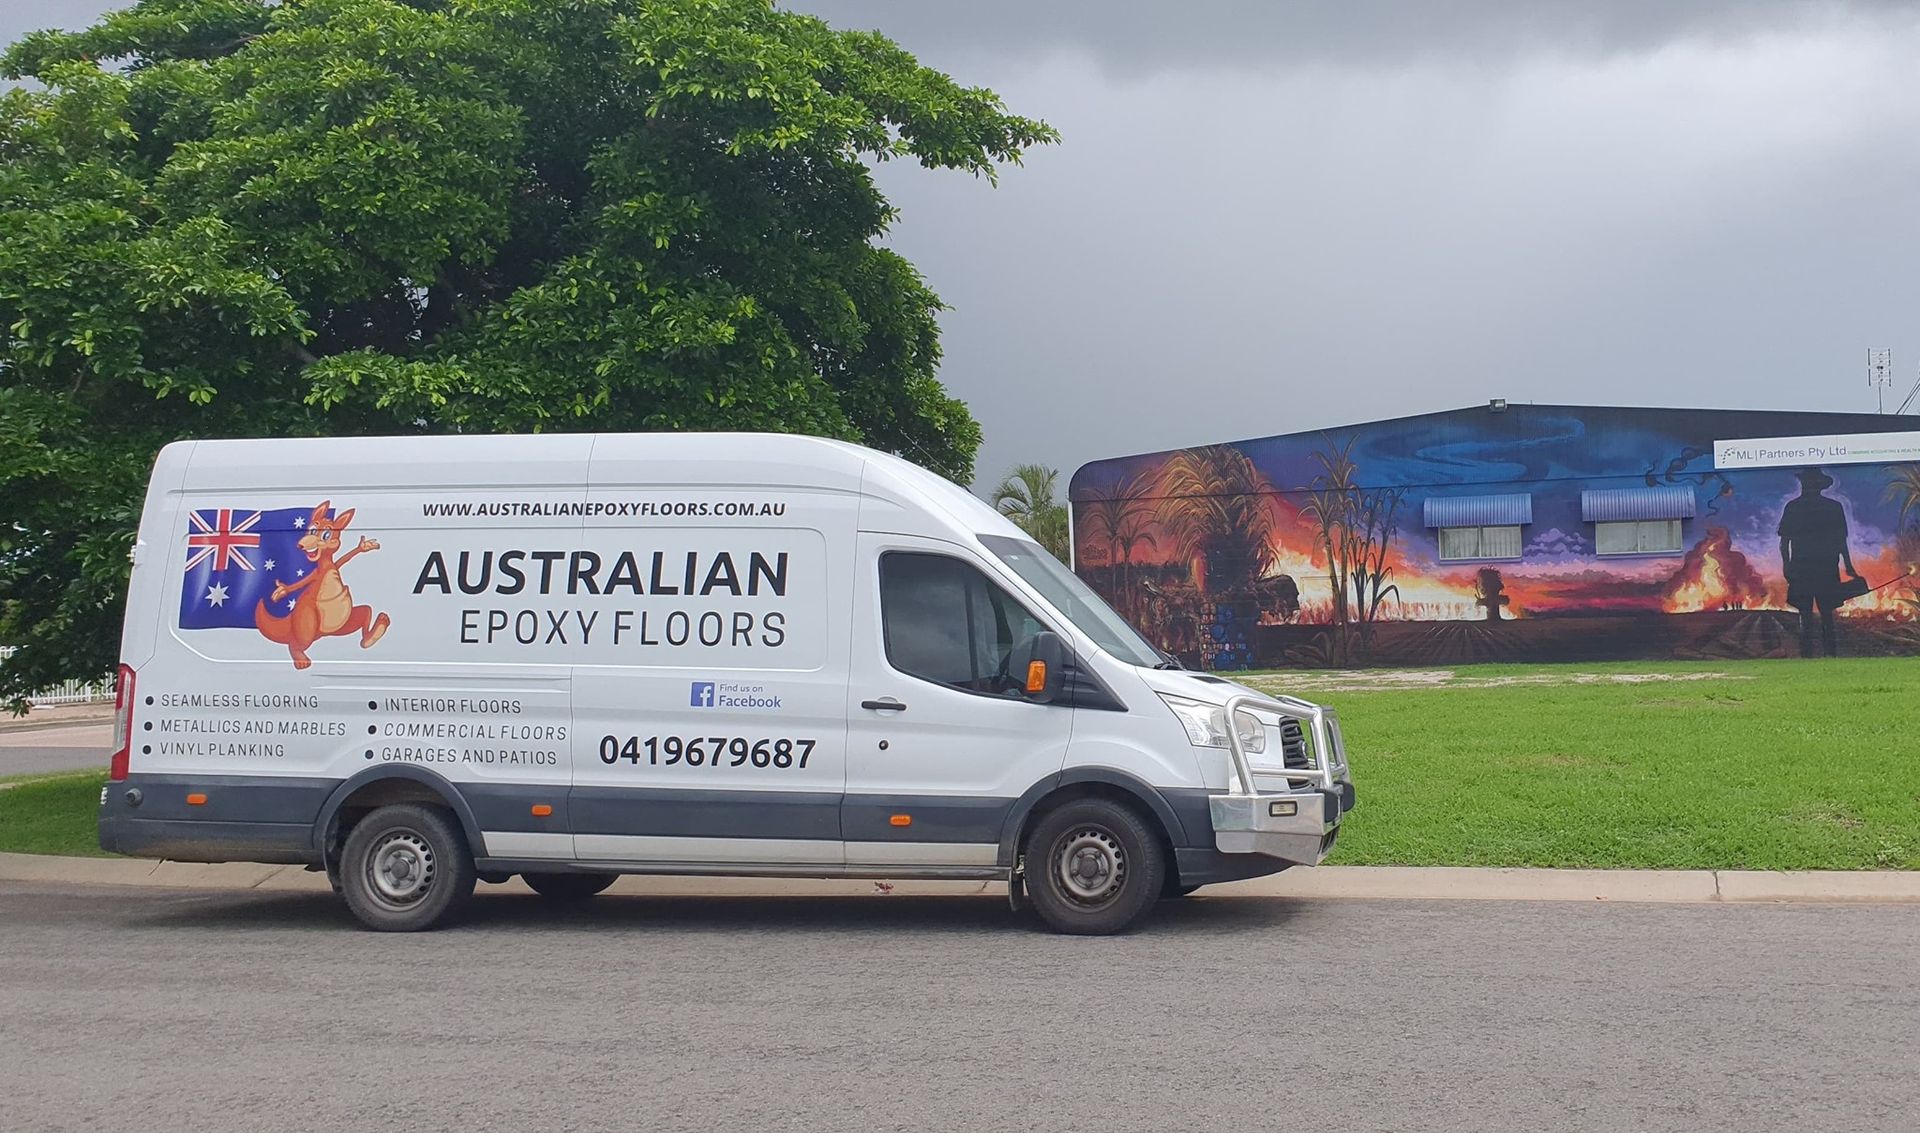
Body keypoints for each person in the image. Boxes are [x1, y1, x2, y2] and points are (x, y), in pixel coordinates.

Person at [1777, 467, 1859, 658]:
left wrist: (1787, 565)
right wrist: (1848, 566)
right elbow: (1841, 541)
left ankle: (1810, 655)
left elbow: (1784, 542)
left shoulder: (1794, 507)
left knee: (1808, 614)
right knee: (1824, 614)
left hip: (1806, 566)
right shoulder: (1832, 507)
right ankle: (1828, 654)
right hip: (1823, 567)